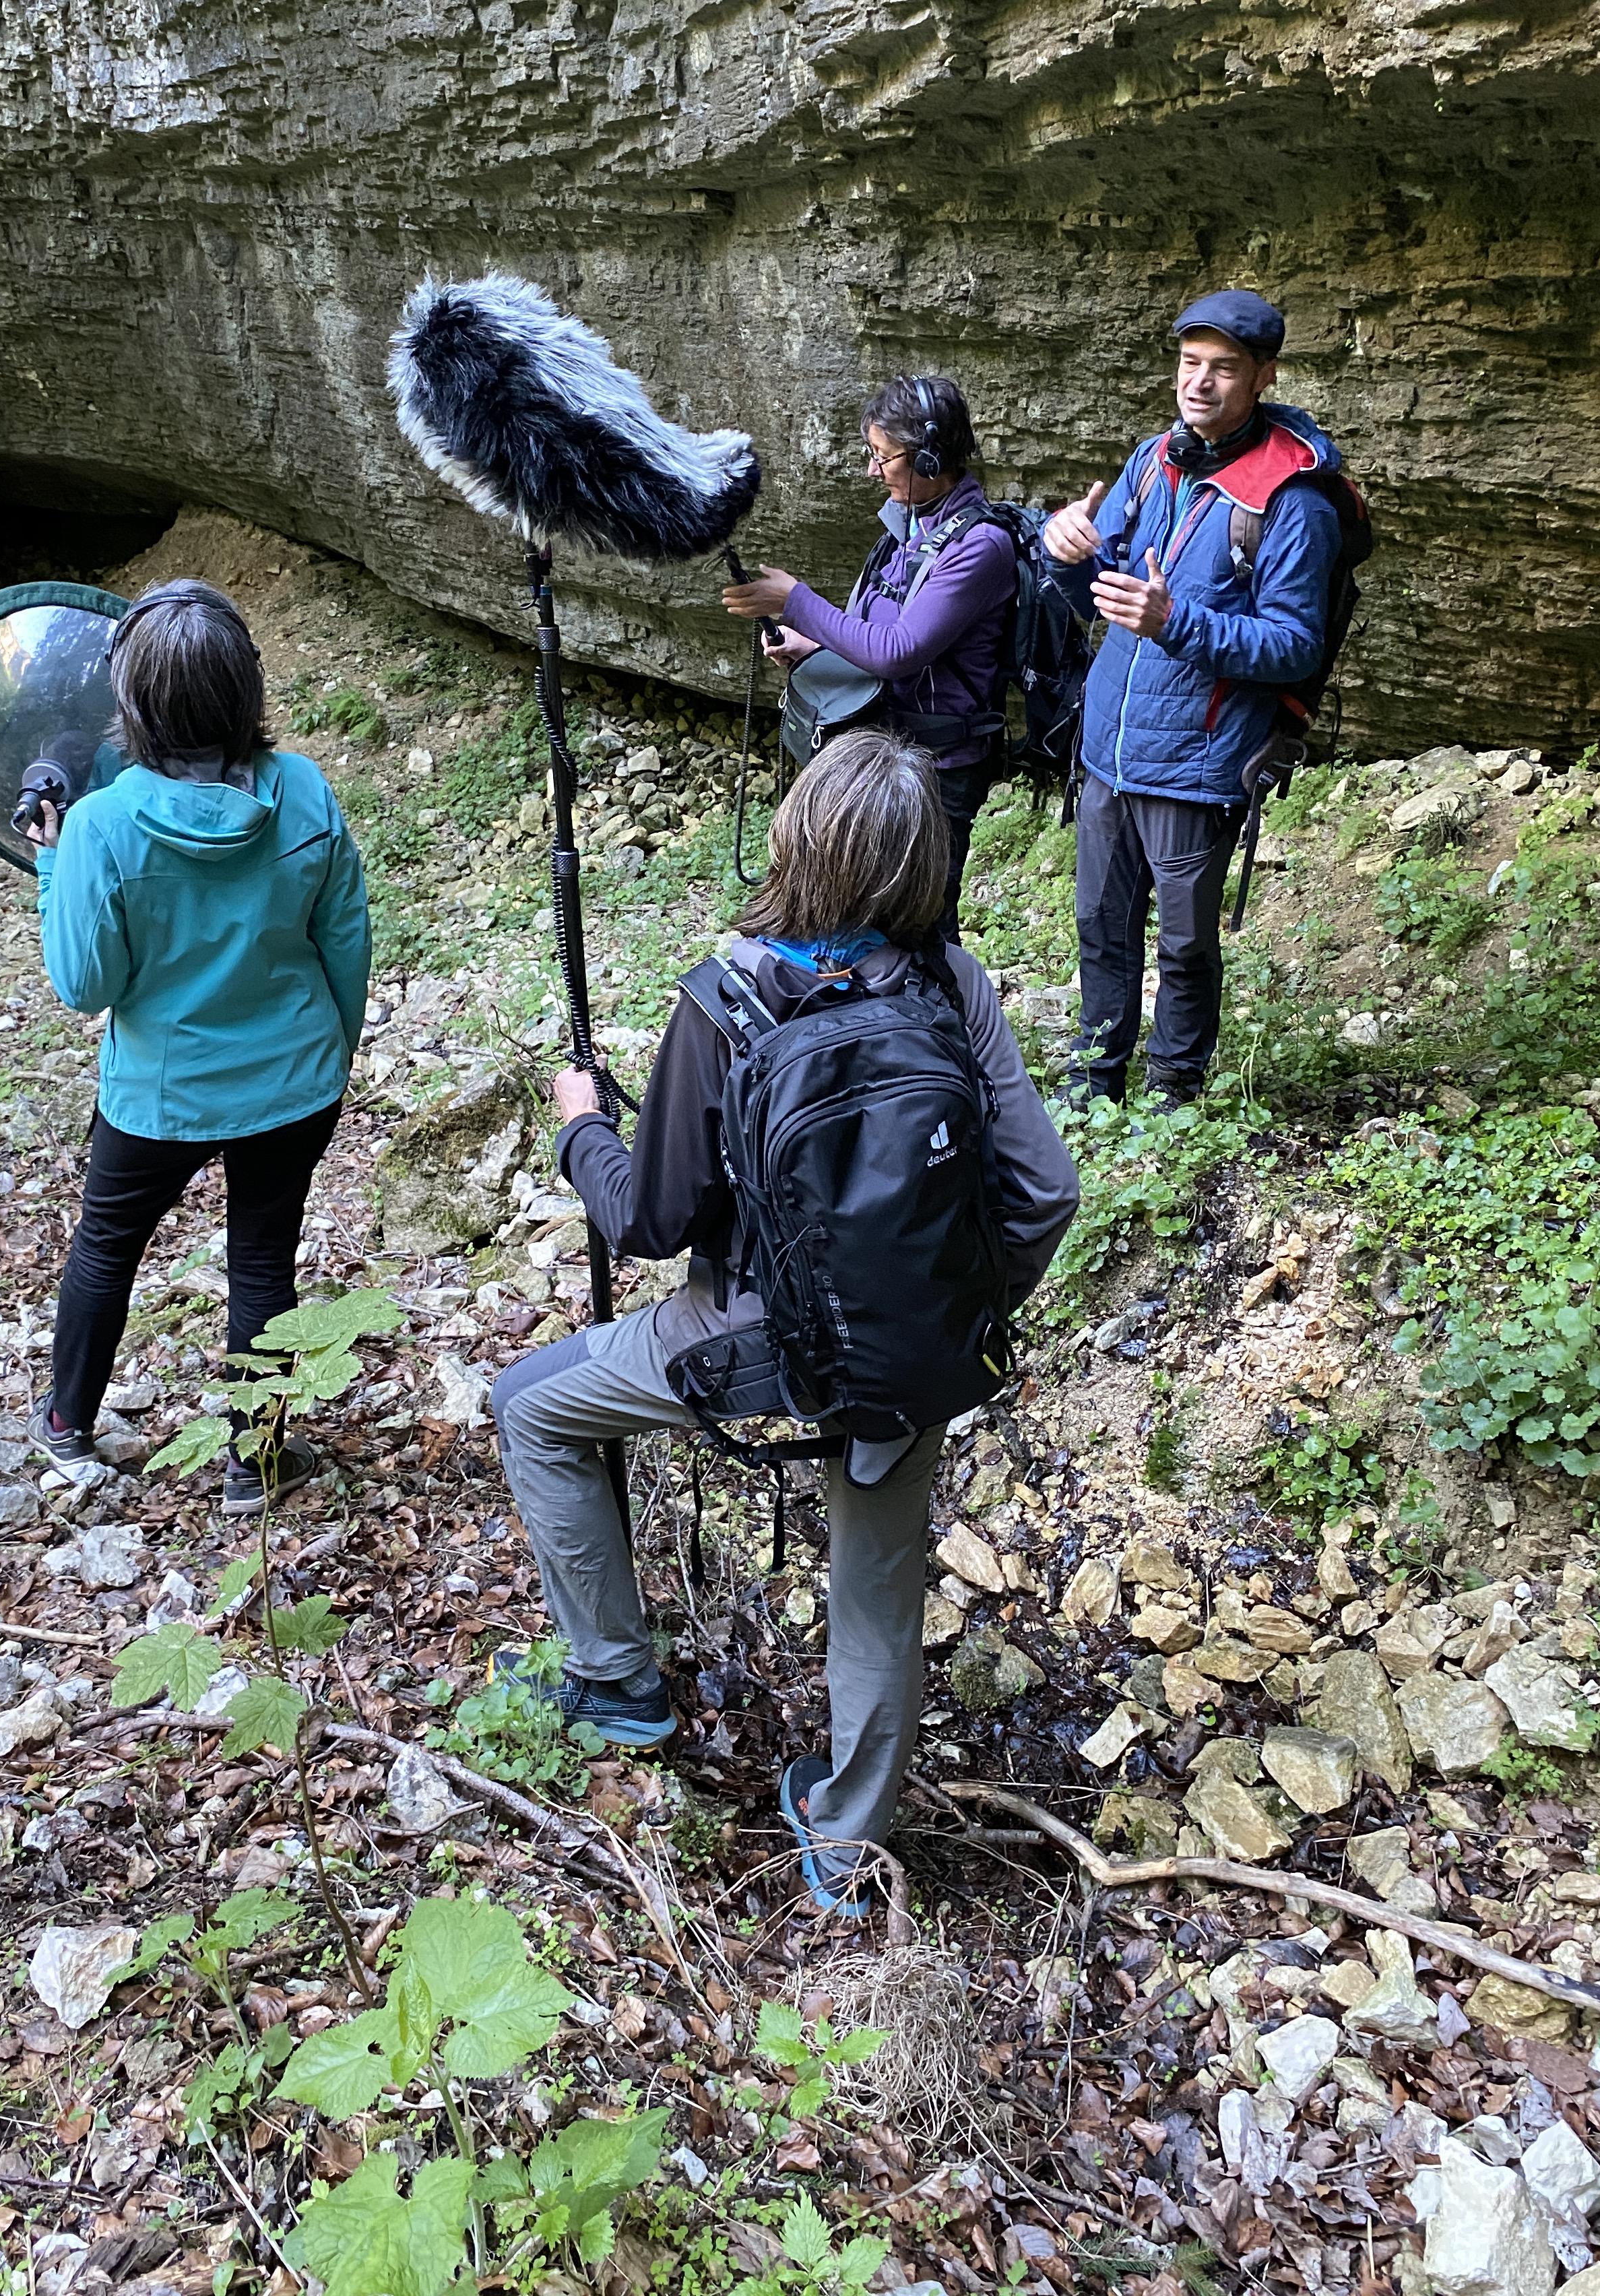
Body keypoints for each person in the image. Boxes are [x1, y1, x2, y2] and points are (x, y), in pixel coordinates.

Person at [490, 730, 1078, 1917]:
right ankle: (848, 1852)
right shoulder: (950, 985)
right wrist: (951, 1310)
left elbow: (647, 1221)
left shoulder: (725, 1000)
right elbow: (1045, 1192)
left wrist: (580, 1126)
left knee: (529, 1407)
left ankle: (618, 1681)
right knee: (876, 1583)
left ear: (796, 839)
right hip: (912, 1348)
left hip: (751, 1339)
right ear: (923, 863)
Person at [24, 579, 370, 1510]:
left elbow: (84, 985)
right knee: (262, 1261)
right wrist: (333, 1053)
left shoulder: (99, 826)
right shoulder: (305, 790)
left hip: (159, 1093)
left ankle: (67, 1425)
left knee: (107, 1247)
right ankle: (254, 1465)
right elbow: (344, 939)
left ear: (128, 701)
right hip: (295, 1081)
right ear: (248, 686)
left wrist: (53, 865)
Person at [1042, 291, 1345, 1107]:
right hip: (1110, 748)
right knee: (1100, 926)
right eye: (1189, 363)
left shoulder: (1293, 501)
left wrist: (1174, 622)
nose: (1199, 383)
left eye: (1223, 368)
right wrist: (1063, 550)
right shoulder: (1153, 461)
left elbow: (1296, 645)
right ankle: (1095, 1078)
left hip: (1199, 758)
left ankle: (1175, 1089)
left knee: (1182, 942)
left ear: (1264, 377)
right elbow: (1097, 591)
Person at [719, 375, 1017, 941]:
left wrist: (796, 602)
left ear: (929, 458)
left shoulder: (979, 546)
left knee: (920, 923)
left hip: (938, 768)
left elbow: (899, 651)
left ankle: (941, 999)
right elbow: (869, 629)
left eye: (883, 456)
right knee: (865, 913)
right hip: (882, 753)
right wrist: (812, 644)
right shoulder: (906, 527)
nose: (872, 471)